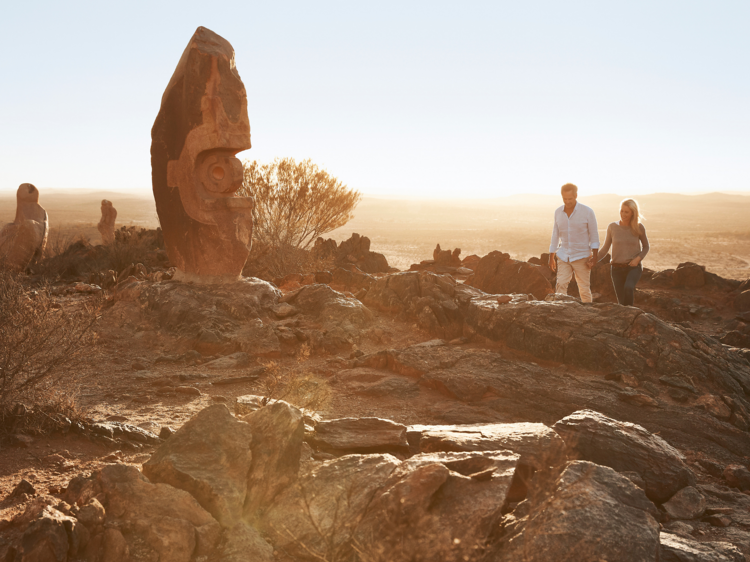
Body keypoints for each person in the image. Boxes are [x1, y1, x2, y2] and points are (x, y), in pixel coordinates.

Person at [548, 183, 600, 303]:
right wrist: (551, 256)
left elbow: (594, 235)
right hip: (563, 255)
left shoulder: (587, 212)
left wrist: (595, 256)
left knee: (584, 288)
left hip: (582, 256)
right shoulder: (558, 212)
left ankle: (587, 313)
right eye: (565, 199)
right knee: (560, 284)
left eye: (570, 198)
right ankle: (560, 311)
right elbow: (555, 235)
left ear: (576, 195)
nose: (567, 201)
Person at [597, 198, 650, 306]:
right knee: (621, 303)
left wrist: (637, 259)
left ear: (632, 213)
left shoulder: (639, 227)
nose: (623, 214)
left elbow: (646, 247)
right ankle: (628, 318)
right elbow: (605, 249)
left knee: (628, 287)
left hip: (633, 268)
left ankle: (631, 315)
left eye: (626, 212)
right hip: (616, 269)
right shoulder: (612, 227)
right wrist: (592, 261)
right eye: (621, 211)